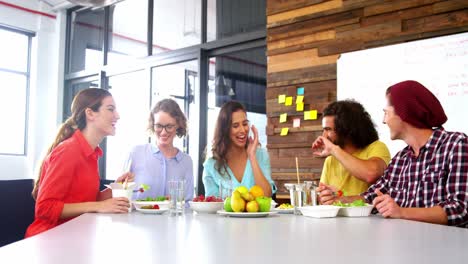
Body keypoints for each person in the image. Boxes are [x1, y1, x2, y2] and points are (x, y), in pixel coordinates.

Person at [318, 80, 468, 227]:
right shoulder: (401, 159)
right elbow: (370, 198)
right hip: (403, 244)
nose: (384, 121)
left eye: (386, 113)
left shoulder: (456, 144)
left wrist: (401, 212)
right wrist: (338, 199)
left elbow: (461, 209)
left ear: (404, 113)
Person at [26, 88, 133, 238]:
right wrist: (99, 206)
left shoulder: (92, 152)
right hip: (49, 238)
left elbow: (86, 201)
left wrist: (116, 187)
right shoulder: (69, 151)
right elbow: (45, 208)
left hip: (75, 235)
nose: (117, 116)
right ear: (90, 113)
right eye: (111, 109)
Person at [312, 100, 391, 196]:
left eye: (328, 129)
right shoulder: (330, 160)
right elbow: (323, 199)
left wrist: (333, 149)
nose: (324, 136)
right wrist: (329, 196)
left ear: (346, 130)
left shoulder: (377, 147)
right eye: (323, 130)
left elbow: (371, 174)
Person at [203, 101, 276, 197]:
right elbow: (212, 206)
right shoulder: (211, 165)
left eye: (245, 124)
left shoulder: (261, 155)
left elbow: (266, 195)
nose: (243, 130)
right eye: (235, 126)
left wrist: (252, 157)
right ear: (225, 130)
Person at [127, 99, 194, 202]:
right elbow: (121, 192)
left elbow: (188, 203)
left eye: (169, 126)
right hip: (135, 217)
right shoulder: (136, 153)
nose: (163, 132)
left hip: (173, 218)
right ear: (153, 125)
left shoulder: (186, 161)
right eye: (158, 126)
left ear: (178, 125)